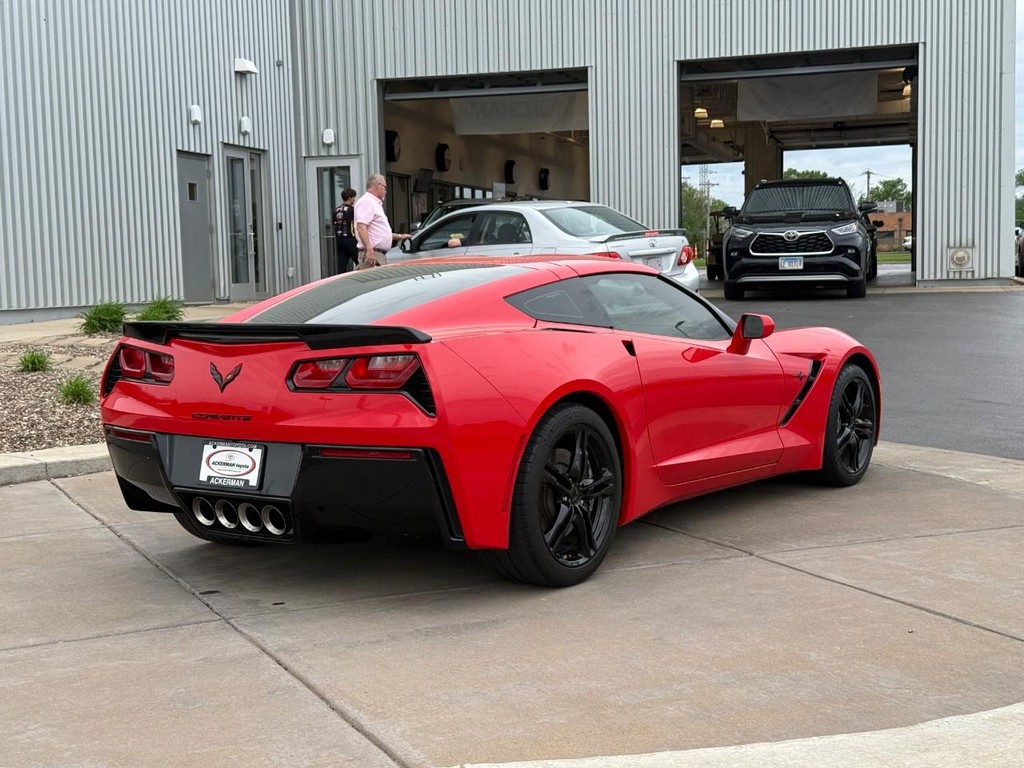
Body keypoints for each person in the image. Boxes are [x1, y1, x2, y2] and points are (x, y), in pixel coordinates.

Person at [353, 173, 410, 269]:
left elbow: (377, 232)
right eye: (385, 187)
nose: (386, 191)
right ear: (378, 185)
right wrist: (369, 249)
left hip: (378, 254)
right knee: (373, 283)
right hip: (373, 254)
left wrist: (400, 236)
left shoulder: (375, 203)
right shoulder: (367, 201)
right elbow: (361, 227)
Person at [333, 188, 358, 273]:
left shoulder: (336, 210)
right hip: (350, 239)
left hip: (339, 240)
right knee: (360, 262)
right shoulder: (352, 209)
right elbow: (357, 224)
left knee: (342, 265)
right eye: (354, 197)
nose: (355, 200)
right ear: (350, 198)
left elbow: (334, 223)